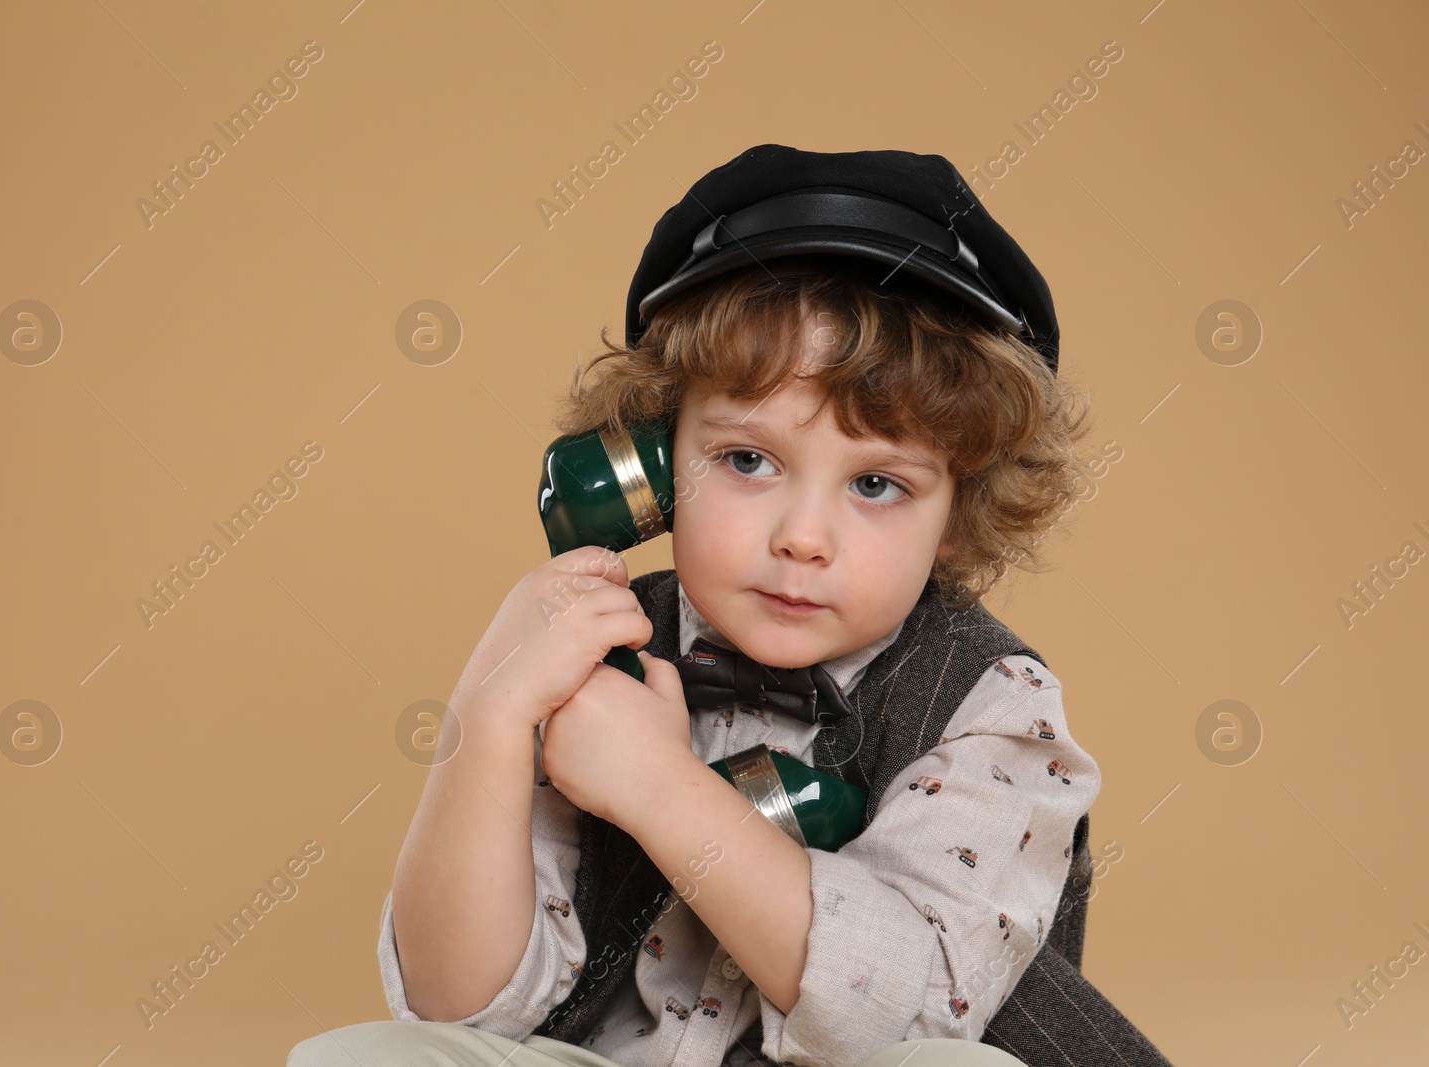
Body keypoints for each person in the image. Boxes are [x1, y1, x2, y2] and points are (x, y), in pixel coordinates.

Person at [287, 145, 1174, 1067]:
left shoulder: (992, 706)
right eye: (748, 460)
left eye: (876, 482)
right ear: (654, 468)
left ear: (959, 513)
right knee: (362, 1055)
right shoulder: (596, 657)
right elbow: (458, 1002)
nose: (802, 535)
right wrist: (488, 712)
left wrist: (655, 785)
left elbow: (906, 1010)